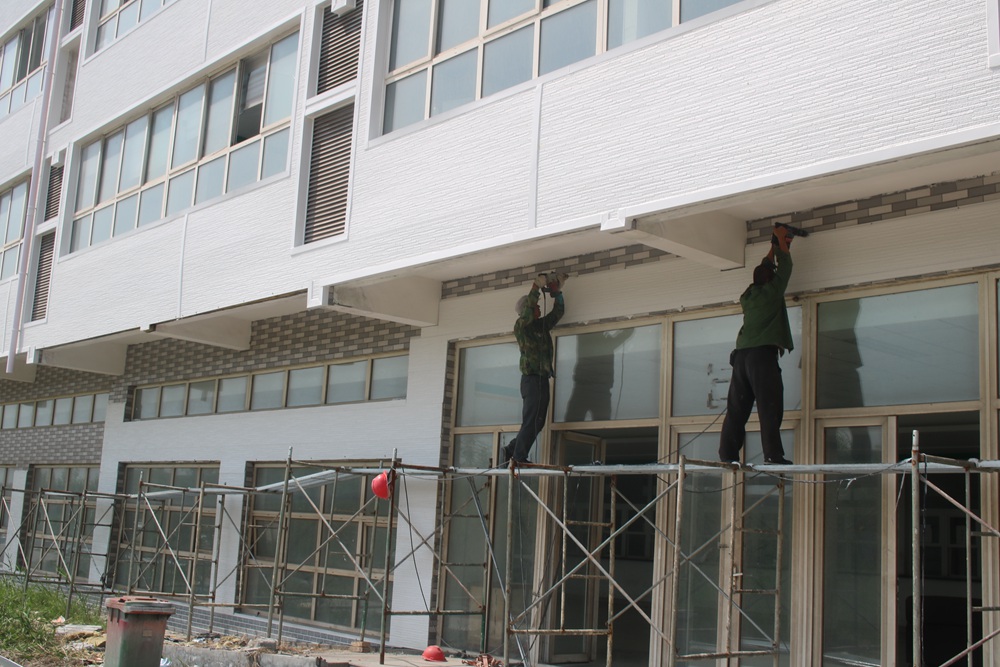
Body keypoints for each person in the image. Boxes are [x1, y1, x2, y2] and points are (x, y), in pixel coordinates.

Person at [719, 225, 794, 465]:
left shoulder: (748, 296)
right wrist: (781, 241)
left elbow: (765, 268)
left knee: (736, 409)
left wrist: (774, 247)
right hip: (762, 357)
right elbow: (786, 267)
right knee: (769, 406)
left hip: (741, 357)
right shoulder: (773, 292)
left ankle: (727, 455)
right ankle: (773, 455)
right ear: (770, 279)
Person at [502, 272, 567, 464]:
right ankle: (519, 457)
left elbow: (558, 313)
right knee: (532, 420)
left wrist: (557, 293)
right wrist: (535, 288)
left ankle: (512, 449)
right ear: (526, 311)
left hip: (541, 379)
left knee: (538, 423)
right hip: (531, 380)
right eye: (535, 307)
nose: (539, 309)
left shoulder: (540, 326)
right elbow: (529, 309)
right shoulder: (521, 327)